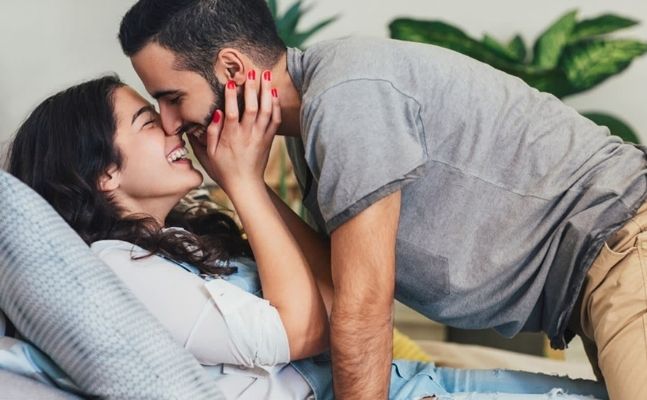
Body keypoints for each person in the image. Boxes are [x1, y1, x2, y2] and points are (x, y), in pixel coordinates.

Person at [117, 1, 647, 399]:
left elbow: (364, 306)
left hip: (627, 249)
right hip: (604, 273)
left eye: (172, 98)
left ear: (232, 70)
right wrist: (243, 182)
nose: (170, 123)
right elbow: (333, 286)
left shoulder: (346, 97)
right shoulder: (317, 119)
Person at [6, 75, 608, 400]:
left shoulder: (183, 236)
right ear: (104, 173)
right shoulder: (115, 267)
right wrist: (243, 181)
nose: (173, 126)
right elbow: (306, 331)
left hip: (396, 381)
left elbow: (339, 294)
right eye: (148, 120)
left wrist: (243, 184)